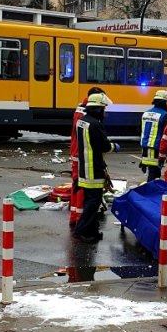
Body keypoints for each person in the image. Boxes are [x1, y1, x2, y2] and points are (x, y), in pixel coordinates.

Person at [73, 92, 120, 243]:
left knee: (90, 201)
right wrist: (115, 147)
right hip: (93, 169)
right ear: (98, 109)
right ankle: (80, 231)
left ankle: (92, 231)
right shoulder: (95, 124)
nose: (105, 112)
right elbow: (104, 146)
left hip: (84, 169)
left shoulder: (82, 122)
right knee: (93, 203)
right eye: (104, 109)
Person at [69, 86, 105, 228]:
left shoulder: (80, 109)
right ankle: (80, 219)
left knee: (76, 185)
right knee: (83, 188)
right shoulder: (87, 114)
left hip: (77, 152)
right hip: (82, 155)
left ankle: (75, 216)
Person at [139, 89, 167, 182]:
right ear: (164, 102)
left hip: (145, 148)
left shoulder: (146, 113)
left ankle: (150, 192)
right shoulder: (165, 115)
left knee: (152, 173)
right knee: (155, 174)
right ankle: (151, 194)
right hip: (156, 148)